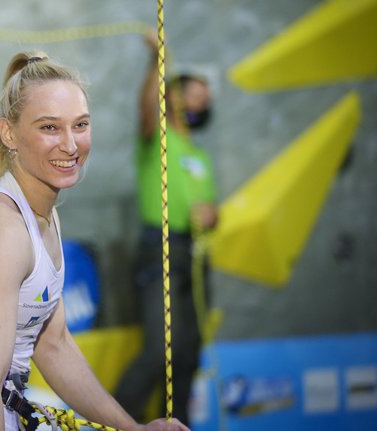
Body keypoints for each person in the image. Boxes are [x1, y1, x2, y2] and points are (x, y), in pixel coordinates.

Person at [0, 51, 190, 431]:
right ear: (9, 133)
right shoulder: (1, 228)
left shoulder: (45, 215)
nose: (71, 145)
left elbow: (53, 345)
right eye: (50, 128)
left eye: (81, 125)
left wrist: (133, 430)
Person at [114, 32, 218, 426]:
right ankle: (116, 422)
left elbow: (211, 208)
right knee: (160, 350)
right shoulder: (156, 138)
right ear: (172, 95)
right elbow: (147, 109)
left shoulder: (200, 156)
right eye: (195, 93)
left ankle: (175, 424)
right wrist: (157, 61)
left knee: (189, 352)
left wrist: (213, 216)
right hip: (159, 250)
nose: (202, 103)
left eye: (206, 100)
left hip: (195, 254)